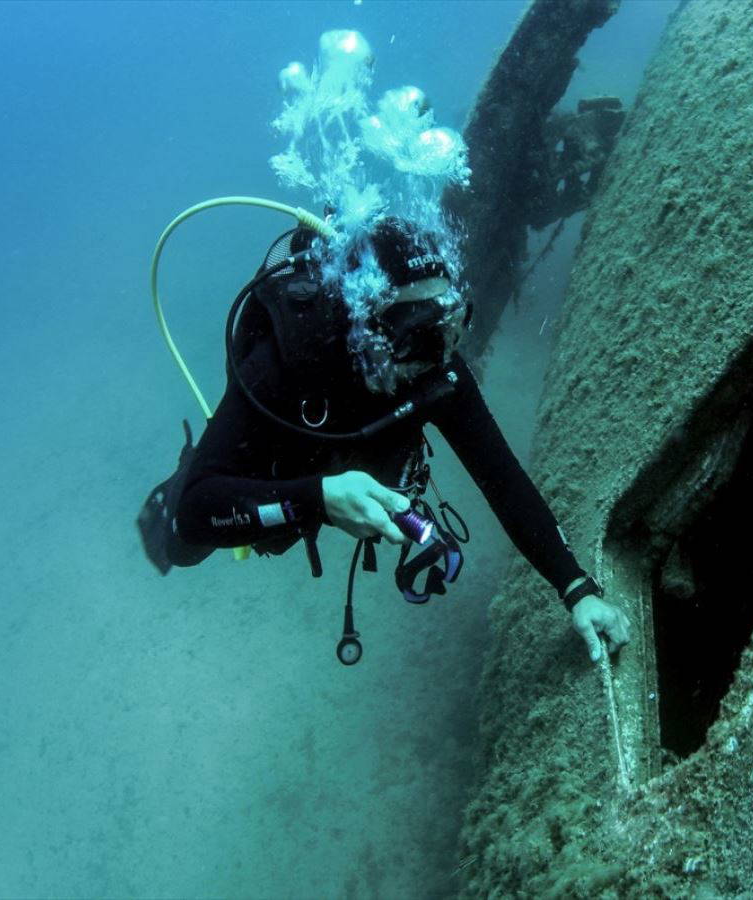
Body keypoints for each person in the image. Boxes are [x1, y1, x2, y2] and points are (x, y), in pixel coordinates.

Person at [168, 217, 630, 662]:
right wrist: (318, 497)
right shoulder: (282, 367)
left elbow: (502, 479)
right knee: (181, 548)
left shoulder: (437, 367)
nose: (442, 351)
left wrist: (577, 589)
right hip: (282, 473)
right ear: (368, 324)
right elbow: (194, 513)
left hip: (345, 478)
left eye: (451, 322)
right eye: (420, 331)